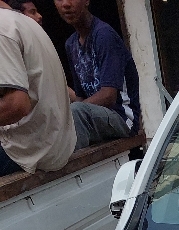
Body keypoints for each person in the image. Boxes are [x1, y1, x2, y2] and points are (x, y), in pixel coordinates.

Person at [0, 2, 76, 176]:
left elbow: (16, 105)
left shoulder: (2, 28)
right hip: (55, 145)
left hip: (28, 151)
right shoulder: (26, 22)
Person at [53, 0, 140, 148]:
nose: (65, 4)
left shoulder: (104, 35)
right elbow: (80, 96)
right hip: (95, 117)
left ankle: (76, 161)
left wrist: (67, 116)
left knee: (75, 112)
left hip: (122, 117)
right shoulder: (71, 44)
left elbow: (109, 96)